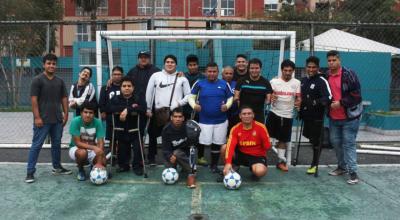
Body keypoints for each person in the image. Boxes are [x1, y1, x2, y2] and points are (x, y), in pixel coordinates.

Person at [26, 54, 71, 183]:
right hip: (42, 120)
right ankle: (30, 172)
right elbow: (34, 100)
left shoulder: (60, 81)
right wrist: (37, 117)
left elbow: (64, 98)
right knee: (37, 145)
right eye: (49, 63)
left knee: (56, 144)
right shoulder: (37, 80)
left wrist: (66, 114)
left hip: (57, 120)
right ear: (44, 64)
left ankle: (57, 167)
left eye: (53, 64)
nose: (51, 66)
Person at [146, 54, 191, 165]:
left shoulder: (182, 78)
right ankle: (151, 158)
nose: (170, 64)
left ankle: (174, 159)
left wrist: (178, 103)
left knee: (174, 137)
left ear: (176, 64)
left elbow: (189, 96)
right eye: (167, 62)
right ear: (164, 63)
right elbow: (149, 93)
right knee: (152, 136)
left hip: (175, 112)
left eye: (172, 62)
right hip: (159, 112)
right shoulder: (156, 76)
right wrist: (148, 108)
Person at [188, 62, 233, 173]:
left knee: (217, 144)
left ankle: (214, 165)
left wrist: (227, 106)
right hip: (204, 121)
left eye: (214, 71)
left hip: (221, 121)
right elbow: (190, 97)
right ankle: (193, 164)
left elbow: (230, 98)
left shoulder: (224, 84)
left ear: (218, 73)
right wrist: (194, 105)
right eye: (209, 71)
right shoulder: (199, 83)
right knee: (201, 142)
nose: (212, 74)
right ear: (205, 72)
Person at [326, 50, 363, 185]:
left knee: (348, 144)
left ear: (339, 60)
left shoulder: (349, 74)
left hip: (350, 117)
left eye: (334, 60)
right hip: (334, 118)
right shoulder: (327, 75)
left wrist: (341, 103)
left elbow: (357, 95)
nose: (331, 63)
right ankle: (342, 167)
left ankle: (353, 172)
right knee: (335, 142)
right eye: (329, 60)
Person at [267, 59, 301, 172]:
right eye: (285, 70)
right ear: (282, 70)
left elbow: (298, 98)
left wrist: (298, 102)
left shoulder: (296, 83)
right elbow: (268, 97)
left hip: (287, 115)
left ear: (293, 71)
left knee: (283, 140)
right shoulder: (274, 82)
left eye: (290, 70)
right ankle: (261, 160)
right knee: (267, 140)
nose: (287, 72)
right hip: (274, 113)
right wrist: (271, 97)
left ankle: (281, 161)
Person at [127, 51, 161, 165]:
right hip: (138, 108)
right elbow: (124, 83)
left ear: (149, 58)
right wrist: (111, 80)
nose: (143, 59)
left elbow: (167, 78)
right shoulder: (132, 71)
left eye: (145, 57)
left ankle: (152, 157)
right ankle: (139, 157)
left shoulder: (156, 71)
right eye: (141, 57)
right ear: (138, 59)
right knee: (138, 134)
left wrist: (179, 74)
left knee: (152, 134)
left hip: (152, 108)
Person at [299, 56, 332, 174]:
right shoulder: (303, 81)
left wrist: (315, 102)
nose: (311, 69)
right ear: (306, 67)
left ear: (317, 68)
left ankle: (314, 164)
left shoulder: (322, 81)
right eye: (309, 67)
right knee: (311, 140)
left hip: (317, 117)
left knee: (316, 141)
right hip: (306, 116)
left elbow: (328, 97)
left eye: (314, 67)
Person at [220, 106, 271, 181]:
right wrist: (228, 163)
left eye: (249, 113)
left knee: (260, 172)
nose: (247, 116)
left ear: (253, 115)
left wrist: (266, 142)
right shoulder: (235, 128)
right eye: (244, 114)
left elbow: (267, 147)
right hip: (241, 154)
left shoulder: (261, 127)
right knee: (224, 147)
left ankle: (254, 171)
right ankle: (232, 169)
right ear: (240, 116)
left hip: (257, 156)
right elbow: (230, 146)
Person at [108, 77, 146, 175]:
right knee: (122, 149)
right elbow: (110, 108)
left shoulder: (138, 98)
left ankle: (137, 166)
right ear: (120, 88)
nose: (127, 88)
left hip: (135, 129)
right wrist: (126, 109)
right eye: (124, 86)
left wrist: (127, 110)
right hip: (121, 128)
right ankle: (123, 166)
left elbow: (143, 109)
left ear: (133, 88)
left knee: (137, 149)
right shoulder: (115, 98)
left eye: (129, 86)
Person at [69, 102, 106, 181]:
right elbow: (78, 143)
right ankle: (81, 169)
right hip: (76, 148)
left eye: (91, 113)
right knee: (82, 153)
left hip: (92, 148)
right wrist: (94, 148)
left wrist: (99, 162)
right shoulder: (75, 121)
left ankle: (94, 168)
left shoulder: (98, 122)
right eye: (85, 112)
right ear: (81, 113)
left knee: (103, 162)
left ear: (94, 114)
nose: (88, 115)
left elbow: (100, 142)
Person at [162, 107, 198, 188]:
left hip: (186, 153)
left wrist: (195, 135)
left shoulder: (189, 127)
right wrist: (169, 156)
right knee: (169, 170)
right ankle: (183, 166)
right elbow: (165, 148)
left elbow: (194, 145)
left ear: (183, 118)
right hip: (172, 154)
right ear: (171, 118)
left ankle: (191, 173)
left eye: (179, 117)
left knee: (178, 152)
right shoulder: (166, 130)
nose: (177, 119)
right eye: (175, 116)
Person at [183, 54, 207, 166]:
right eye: (190, 65)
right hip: (186, 109)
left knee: (200, 133)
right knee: (186, 133)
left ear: (198, 65)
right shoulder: (182, 76)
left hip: (199, 109)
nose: (193, 67)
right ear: (187, 66)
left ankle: (200, 156)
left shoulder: (203, 77)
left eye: (195, 65)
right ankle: (186, 155)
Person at [234, 58, 272, 123]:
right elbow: (236, 97)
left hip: (258, 115)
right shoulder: (241, 81)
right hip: (244, 115)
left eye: (257, 68)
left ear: (260, 69)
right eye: (252, 68)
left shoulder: (266, 82)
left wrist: (270, 100)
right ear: (248, 69)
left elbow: (268, 100)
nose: (254, 70)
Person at [99, 66, 123, 144]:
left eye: (119, 74)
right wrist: (102, 111)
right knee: (111, 136)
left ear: (122, 75)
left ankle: (121, 152)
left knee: (122, 136)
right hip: (110, 116)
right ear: (112, 76)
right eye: (114, 74)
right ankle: (112, 152)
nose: (117, 76)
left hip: (122, 115)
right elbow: (102, 101)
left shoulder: (125, 87)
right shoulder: (105, 88)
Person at [222, 66, 239, 132]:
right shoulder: (218, 84)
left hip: (235, 115)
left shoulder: (236, 84)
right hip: (222, 115)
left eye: (230, 73)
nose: (228, 75)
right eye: (226, 73)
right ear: (222, 74)